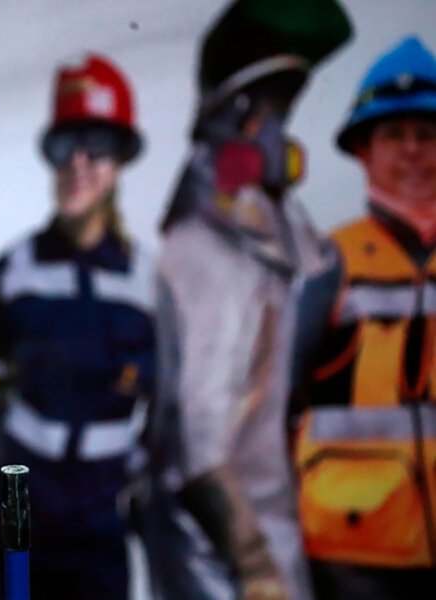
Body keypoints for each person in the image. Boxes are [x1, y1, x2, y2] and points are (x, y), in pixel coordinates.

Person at [142, 1, 353, 599]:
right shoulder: (205, 248)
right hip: (225, 555)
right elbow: (201, 445)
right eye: (273, 114)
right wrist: (255, 567)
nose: (283, 136)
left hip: (276, 524)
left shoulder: (268, 224)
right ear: (234, 120)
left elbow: (313, 280)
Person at [0, 54, 154, 600]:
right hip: (17, 531)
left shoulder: (148, 281)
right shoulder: (14, 271)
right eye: (64, 146)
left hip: (103, 536)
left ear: (120, 160)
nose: (78, 162)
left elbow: (169, 413)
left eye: (96, 145)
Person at [290, 36, 436, 600]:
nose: (412, 151)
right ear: (363, 151)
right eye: (392, 135)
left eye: (426, 134)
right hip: (351, 561)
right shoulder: (329, 264)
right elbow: (272, 412)